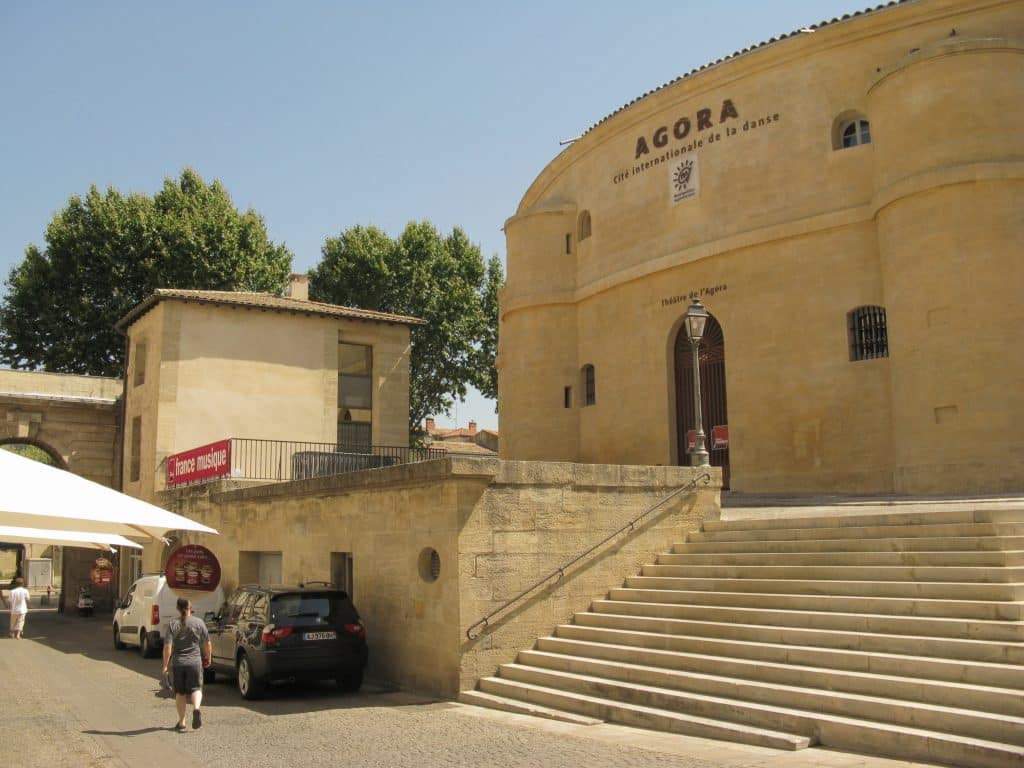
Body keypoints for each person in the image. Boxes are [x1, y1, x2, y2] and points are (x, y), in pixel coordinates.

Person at [161, 597, 212, 731]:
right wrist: (208, 657)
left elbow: (167, 647)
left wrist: (165, 666)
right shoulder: (199, 622)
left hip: (178, 663)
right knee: (196, 688)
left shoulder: (173, 624)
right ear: (190, 608)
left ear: (178, 608)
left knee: (180, 693)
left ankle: (182, 721)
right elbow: (207, 643)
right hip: (195, 662)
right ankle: (196, 709)